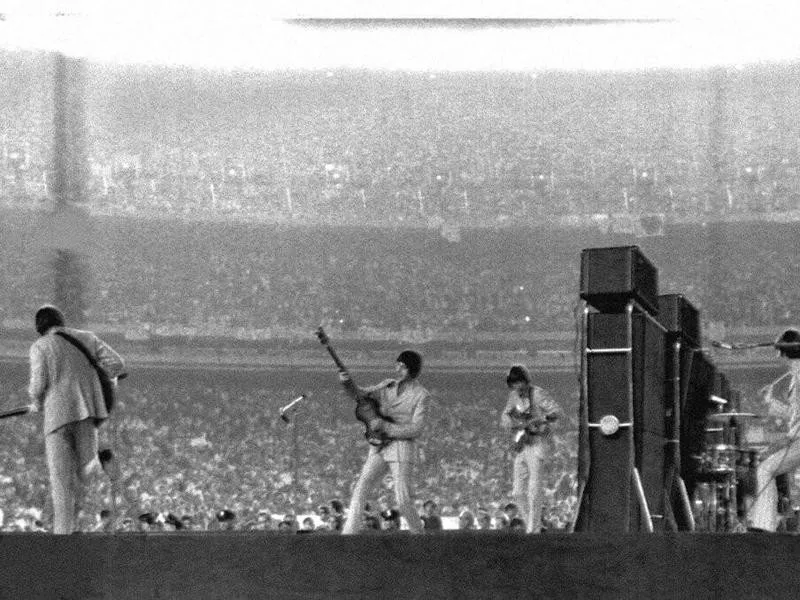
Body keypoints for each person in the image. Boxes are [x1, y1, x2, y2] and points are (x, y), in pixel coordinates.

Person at [26, 305, 126, 534]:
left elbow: (39, 384)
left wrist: (37, 402)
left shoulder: (40, 346)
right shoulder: (86, 338)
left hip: (56, 418)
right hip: (88, 413)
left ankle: (63, 536)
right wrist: (96, 380)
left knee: (61, 483)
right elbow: (117, 364)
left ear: (40, 327)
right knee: (87, 472)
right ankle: (99, 524)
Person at [340, 350, 429, 535]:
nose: (398, 368)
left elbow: (416, 429)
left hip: (401, 445)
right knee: (361, 487)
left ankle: (418, 532)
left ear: (411, 369)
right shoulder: (387, 385)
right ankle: (349, 533)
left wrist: (386, 426)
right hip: (379, 445)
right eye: (397, 364)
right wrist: (348, 384)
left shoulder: (421, 395)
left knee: (403, 498)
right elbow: (362, 396)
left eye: (402, 366)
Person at [500, 364, 562, 534]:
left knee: (534, 490)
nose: (517, 390)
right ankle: (533, 526)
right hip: (522, 443)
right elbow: (505, 415)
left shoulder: (539, 394)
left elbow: (556, 411)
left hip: (537, 444)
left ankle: (533, 531)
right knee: (518, 492)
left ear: (526, 382)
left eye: (519, 385)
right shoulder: (513, 396)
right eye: (513, 386)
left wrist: (543, 422)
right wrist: (515, 424)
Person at [750, 328, 800, 531]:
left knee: (766, 469)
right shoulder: (796, 375)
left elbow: (796, 423)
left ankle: (764, 526)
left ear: (783, 352)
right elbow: (794, 413)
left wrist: (783, 442)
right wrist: (771, 403)